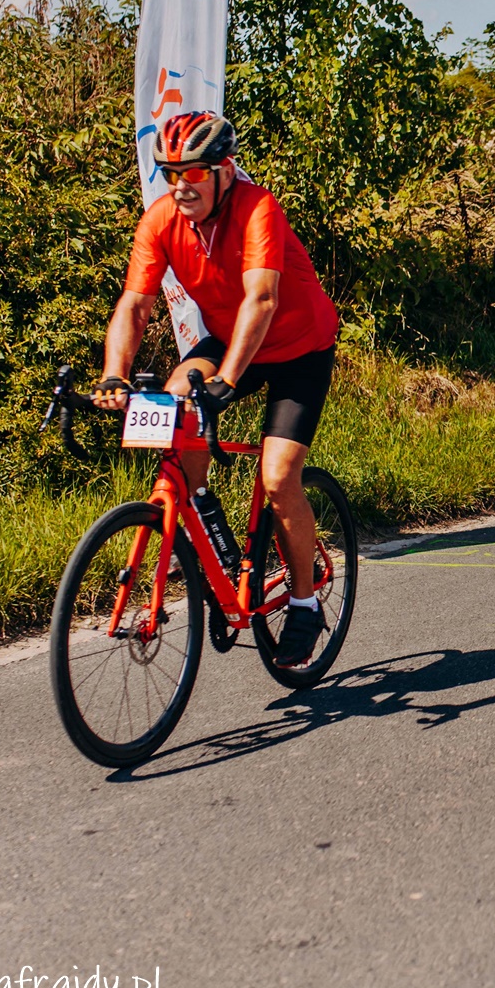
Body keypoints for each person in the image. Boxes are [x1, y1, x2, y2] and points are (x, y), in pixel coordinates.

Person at [92, 111, 340, 667]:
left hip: (299, 349)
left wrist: (227, 379)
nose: (181, 187)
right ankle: (205, 518)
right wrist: (114, 375)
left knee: (277, 477)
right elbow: (134, 304)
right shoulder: (160, 220)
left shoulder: (257, 208)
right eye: (170, 174)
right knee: (174, 406)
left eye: (194, 174)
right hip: (230, 341)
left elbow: (262, 299)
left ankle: (304, 604)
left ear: (224, 171)